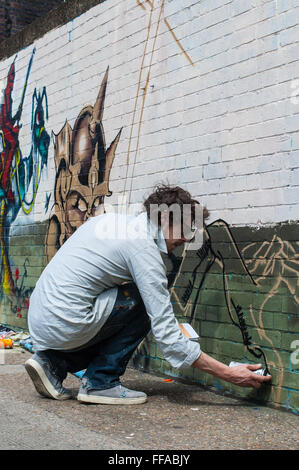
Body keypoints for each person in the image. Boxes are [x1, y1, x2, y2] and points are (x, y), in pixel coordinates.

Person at [25, 185, 271, 405]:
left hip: (41, 319)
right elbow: (167, 336)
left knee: (124, 301)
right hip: (65, 321)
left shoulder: (110, 222)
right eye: (183, 228)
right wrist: (228, 374)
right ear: (164, 218)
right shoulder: (142, 248)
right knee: (143, 302)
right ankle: (102, 382)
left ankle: (53, 364)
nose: (186, 238)